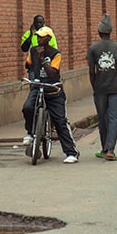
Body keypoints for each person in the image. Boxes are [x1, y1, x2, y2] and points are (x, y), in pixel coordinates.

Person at [21, 26, 79, 163]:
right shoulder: (33, 51)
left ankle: (71, 152)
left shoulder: (55, 53)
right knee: (28, 108)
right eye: (38, 36)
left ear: (48, 38)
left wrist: (42, 59)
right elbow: (28, 65)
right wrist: (34, 63)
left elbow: (53, 73)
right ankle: (30, 133)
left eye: (42, 37)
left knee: (60, 121)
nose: (39, 39)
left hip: (53, 89)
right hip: (38, 86)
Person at [87, 14, 117, 162]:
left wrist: (95, 87)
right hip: (115, 88)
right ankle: (110, 149)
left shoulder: (93, 48)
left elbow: (91, 72)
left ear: (99, 32)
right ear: (111, 32)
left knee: (102, 118)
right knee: (113, 118)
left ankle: (105, 148)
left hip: (100, 89)